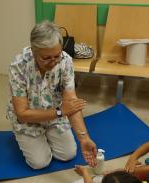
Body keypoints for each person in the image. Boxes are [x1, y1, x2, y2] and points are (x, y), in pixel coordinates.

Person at [6, 20, 97, 169]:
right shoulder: (18, 65)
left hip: (55, 115)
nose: (53, 62)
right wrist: (61, 112)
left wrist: (84, 138)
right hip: (30, 119)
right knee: (40, 163)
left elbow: (71, 102)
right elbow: (22, 114)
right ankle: (24, 136)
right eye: (46, 58)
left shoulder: (66, 61)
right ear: (34, 51)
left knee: (68, 154)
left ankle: (47, 134)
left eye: (56, 55)